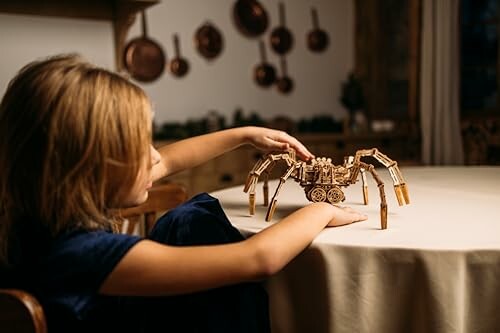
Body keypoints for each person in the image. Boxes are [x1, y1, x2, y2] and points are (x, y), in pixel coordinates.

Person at [0, 54, 367, 332]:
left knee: (188, 218)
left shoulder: (34, 220)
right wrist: (319, 211)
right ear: (84, 169)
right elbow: (258, 259)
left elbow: (171, 160)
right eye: (135, 149)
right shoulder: (86, 255)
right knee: (197, 224)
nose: (156, 156)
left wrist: (243, 135)